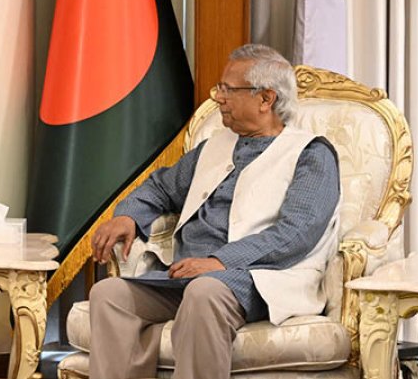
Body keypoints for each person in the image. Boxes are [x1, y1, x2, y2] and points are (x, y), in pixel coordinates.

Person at [88, 44, 340, 379]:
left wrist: (221, 261)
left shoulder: (311, 154)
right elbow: (161, 187)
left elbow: (297, 232)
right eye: (220, 88)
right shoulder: (214, 146)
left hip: (260, 278)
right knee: (109, 295)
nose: (219, 98)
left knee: (204, 292)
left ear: (266, 99)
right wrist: (128, 216)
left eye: (229, 89)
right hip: (187, 275)